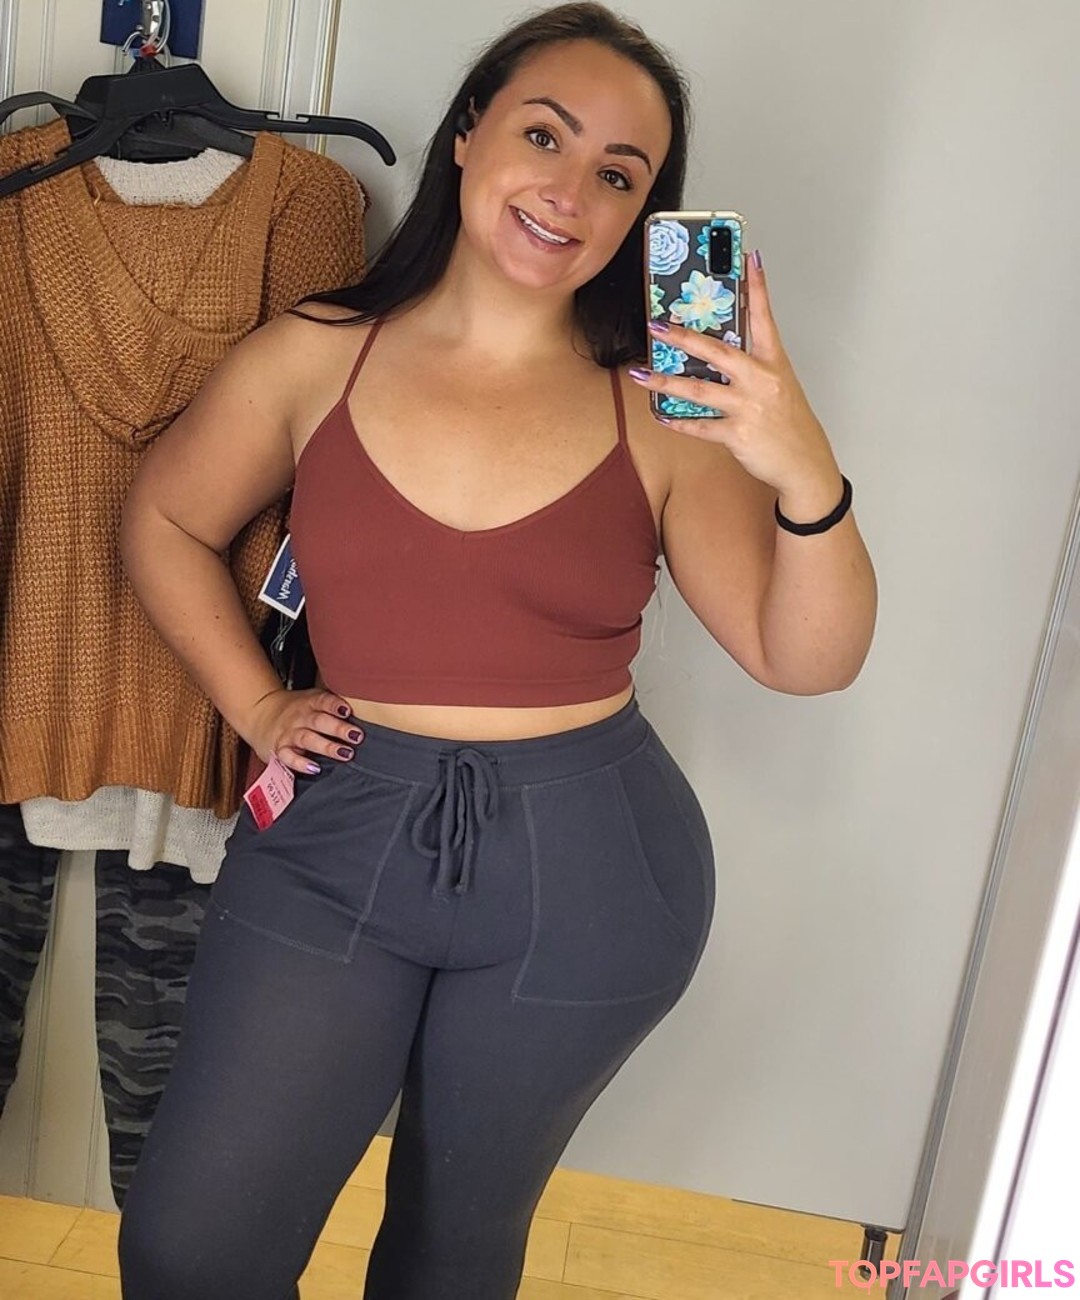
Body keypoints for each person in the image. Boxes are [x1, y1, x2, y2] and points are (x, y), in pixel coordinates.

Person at [116, 3, 877, 1297]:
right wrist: (256, 703)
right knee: (194, 1252)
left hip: (590, 872)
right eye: (545, 135)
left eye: (619, 175)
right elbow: (167, 522)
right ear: (469, 133)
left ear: (643, 215)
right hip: (335, 839)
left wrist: (802, 465)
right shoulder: (318, 354)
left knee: (451, 1261)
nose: (571, 191)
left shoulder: (664, 410)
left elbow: (802, 655)